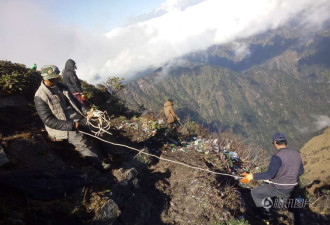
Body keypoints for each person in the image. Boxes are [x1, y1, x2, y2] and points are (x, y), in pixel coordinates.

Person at [34, 65, 110, 171]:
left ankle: (106, 154)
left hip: (76, 117)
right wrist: (70, 125)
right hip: (63, 127)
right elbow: (47, 120)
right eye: (55, 77)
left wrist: (86, 112)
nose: (58, 78)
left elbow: (76, 103)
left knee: (95, 129)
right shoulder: (40, 96)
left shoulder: (61, 86)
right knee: (82, 141)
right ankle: (98, 164)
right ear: (47, 78)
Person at [241, 132, 304, 210]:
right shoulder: (296, 154)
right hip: (294, 187)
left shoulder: (277, 157)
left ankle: (267, 212)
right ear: (286, 141)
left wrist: (251, 176)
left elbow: (270, 174)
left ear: (275, 143)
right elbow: (301, 171)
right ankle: (289, 201)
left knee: (255, 193)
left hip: (280, 188)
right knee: (287, 196)